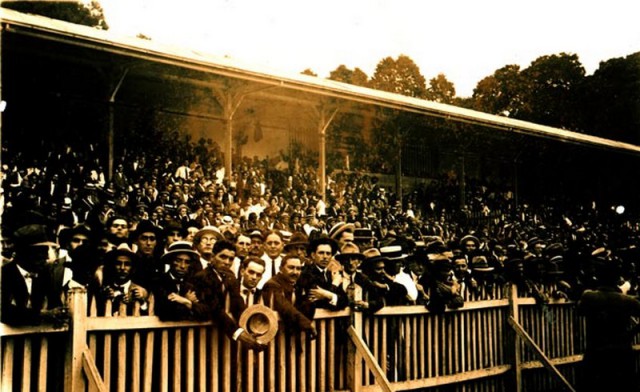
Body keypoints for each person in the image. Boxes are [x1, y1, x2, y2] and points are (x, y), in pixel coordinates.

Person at [577, 257, 640, 390]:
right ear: (617, 280)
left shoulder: (588, 296)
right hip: (621, 353)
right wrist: (630, 334)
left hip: (596, 353)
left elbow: (580, 311)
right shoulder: (628, 301)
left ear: (598, 278)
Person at [1, 224, 70, 326]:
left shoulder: (44, 275)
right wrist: (41, 314)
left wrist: (59, 315)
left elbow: (55, 304)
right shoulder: (5, 274)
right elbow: (5, 313)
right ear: (23, 252)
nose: (46, 257)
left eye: (46, 251)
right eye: (41, 252)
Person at [262, 254, 317, 338]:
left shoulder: (297, 285)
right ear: (281, 269)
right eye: (291, 267)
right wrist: (307, 324)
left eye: (298, 269)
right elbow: (285, 307)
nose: (295, 272)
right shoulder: (272, 284)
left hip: (290, 336)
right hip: (274, 336)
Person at [297, 236, 348, 319]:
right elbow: (317, 303)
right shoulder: (306, 273)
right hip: (314, 322)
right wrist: (334, 285)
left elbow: (345, 301)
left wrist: (327, 295)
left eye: (328, 253)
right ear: (313, 255)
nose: (325, 257)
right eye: (321, 253)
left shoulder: (331, 274)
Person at [153, 241, 200, 321]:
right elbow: (163, 313)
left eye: (187, 262)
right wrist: (187, 301)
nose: (182, 266)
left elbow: (203, 311)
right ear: (170, 261)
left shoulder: (191, 284)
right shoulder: (159, 282)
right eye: (178, 260)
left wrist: (185, 301)